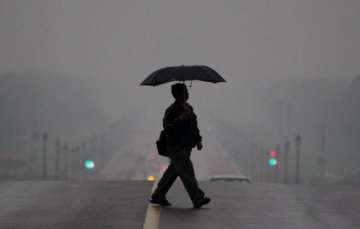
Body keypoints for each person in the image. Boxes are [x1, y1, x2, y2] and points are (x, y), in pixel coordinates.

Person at [150, 83, 211, 208]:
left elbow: (194, 127)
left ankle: (158, 195)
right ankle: (197, 198)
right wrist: (180, 118)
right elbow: (168, 128)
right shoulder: (171, 111)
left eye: (187, 92)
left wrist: (198, 140)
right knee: (187, 171)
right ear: (177, 95)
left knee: (173, 172)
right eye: (184, 92)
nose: (188, 94)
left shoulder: (189, 108)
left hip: (186, 146)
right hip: (176, 147)